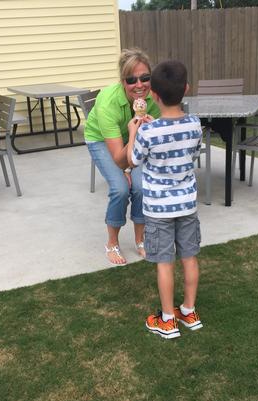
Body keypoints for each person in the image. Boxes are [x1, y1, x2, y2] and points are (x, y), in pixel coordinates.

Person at [127, 60, 203, 339]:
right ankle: (189, 311)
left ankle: (168, 319)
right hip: (187, 205)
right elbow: (194, 152)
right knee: (190, 257)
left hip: (158, 210)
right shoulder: (195, 124)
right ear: (186, 89)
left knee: (165, 262)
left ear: (153, 96)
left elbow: (133, 160)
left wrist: (134, 131)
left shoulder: (148, 131)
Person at [84, 48, 160, 266]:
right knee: (120, 188)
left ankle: (140, 240)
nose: (139, 85)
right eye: (131, 80)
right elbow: (119, 158)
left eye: (145, 78)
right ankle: (112, 243)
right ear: (122, 81)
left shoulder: (151, 99)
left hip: (132, 138)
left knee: (141, 186)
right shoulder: (108, 101)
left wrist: (151, 128)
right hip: (100, 140)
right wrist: (124, 168)